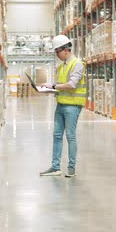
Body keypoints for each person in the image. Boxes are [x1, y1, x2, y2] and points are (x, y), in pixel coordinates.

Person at [39, 35, 86, 178]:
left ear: (65, 49)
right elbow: (61, 87)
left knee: (70, 136)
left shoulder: (77, 64)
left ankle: (71, 168)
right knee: (57, 135)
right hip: (60, 104)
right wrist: (50, 90)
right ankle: (55, 167)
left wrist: (53, 85)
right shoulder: (61, 66)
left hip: (72, 107)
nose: (57, 55)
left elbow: (72, 85)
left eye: (57, 52)